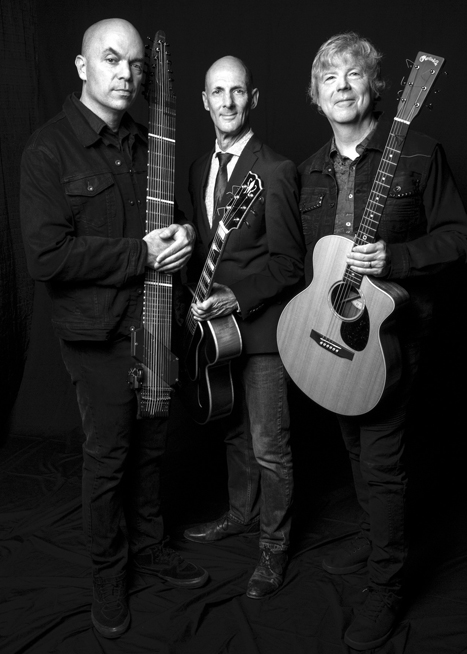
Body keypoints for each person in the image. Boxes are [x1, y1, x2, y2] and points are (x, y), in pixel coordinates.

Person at [20, 18, 208, 639]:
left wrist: (184, 235)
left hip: (155, 322)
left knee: (152, 445)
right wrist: (141, 254)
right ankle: (108, 573)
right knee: (109, 456)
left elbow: (172, 217)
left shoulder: (151, 141)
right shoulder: (48, 150)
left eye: (135, 64)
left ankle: (149, 547)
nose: (126, 74)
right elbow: (47, 257)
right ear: (82, 67)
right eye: (111, 59)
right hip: (96, 334)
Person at [298, 32, 467, 650]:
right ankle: (375, 543)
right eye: (329, 78)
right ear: (316, 96)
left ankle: (385, 585)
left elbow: (457, 237)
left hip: (395, 335)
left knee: (381, 458)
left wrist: (396, 257)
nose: (342, 87)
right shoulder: (309, 171)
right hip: (334, 330)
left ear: (376, 88)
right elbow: (304, 264)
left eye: (354, 75)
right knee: (353, 446)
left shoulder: (419, 153)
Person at [182, 56, 304, 599]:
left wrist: (238, 297)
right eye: (217, 92)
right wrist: (194, 296)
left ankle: (274, 546)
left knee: (269, 445)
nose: (227, 102)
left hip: (261, 332)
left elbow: (290, 265)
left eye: (237, 91)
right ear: (204, 101)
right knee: (232, 430)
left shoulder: (275, 169)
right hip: (215, 334)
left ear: (252, 99)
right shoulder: (196, 168)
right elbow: (201, 251)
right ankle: (241, 513)